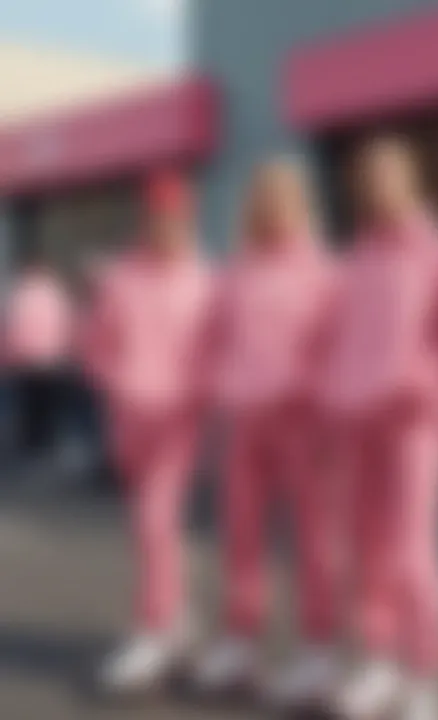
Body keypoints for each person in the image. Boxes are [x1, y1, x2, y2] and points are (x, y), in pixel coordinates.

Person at [191, 159, 340, 711]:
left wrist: (313, 394)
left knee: (313, 543)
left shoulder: (324, 270)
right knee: (242, 537)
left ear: (302, 206)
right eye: (264, 197)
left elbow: (339, 347)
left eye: (284, 198)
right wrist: (217, 387)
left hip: (303, 423)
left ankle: (317, 652)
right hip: (244, 422)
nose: (273, 207)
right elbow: (210, 340)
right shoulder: (236, 271)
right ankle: (241, 642)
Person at [319, 136, 438, 720]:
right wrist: (334, 395)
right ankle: (380, 661)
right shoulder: (357, 259)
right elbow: (334, 338)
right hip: (357, 420)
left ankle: (426, 676)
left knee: (413, 552)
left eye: (387, 176)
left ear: (410, 180)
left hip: (416, 423)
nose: (376, 188)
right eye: (367, 179)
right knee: (365, 549)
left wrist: (426, 386)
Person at [83, 169, 214, 693]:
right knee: (152, 530)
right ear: (145, 220)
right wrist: (117, 384)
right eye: (157, 217)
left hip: (177, 422)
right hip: (129, 420)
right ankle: (177, 617)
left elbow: (215, 350)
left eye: (176, 218)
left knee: (154, 522)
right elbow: (94, 346)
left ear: (188, 221)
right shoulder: (121, 278)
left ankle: (153, 630)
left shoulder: (206, 279)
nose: (166, 226)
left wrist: (195, 394)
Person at [3, 253, 74, 470]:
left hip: (26, 357)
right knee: (45, 403)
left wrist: (7, 355)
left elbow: (9, 327)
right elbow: (65, 323)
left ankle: (32, 442)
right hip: (49, 356)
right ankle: (44, 442)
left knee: (29, 403)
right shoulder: (55, 293)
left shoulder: (19, 294)